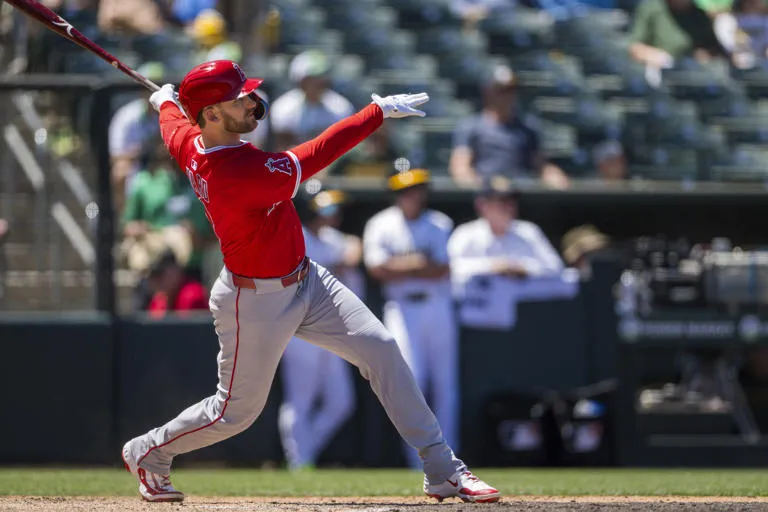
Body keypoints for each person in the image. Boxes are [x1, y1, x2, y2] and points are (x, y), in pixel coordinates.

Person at [120, 59, 499, 504]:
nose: (251, 102)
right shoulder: (237, 172)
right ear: (212, 114)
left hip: (308, 280)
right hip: (254, 302)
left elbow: (174, 126)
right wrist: (375, 113)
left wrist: (165, 102)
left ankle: (441, 468)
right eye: (239, 99)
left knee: (381, 349)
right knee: (234, 413)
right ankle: (149, 451)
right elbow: (316, 153)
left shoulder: (191, 140)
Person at [362, 168, 459, 470]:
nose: (411, 196)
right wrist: (418, 264)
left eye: (416, 189)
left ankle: (451, 457)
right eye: (404, 191)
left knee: (445, 384)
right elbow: (377, 269)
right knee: (412, 379)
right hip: (402, 308)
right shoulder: (380, 224)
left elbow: (442, 269)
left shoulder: (439, 222)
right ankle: (419, 459)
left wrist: (401, 266)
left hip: (437, 305)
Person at [278, 184, 361, 471]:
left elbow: (353, 249)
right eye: (326, 208)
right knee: (299, 401)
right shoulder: (295, 237)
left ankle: (305, 452)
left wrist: (352, 249)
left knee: (342, 402)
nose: (333, 214)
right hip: (301, 329)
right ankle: (299, 462)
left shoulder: (330, 237)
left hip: (331, 330)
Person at [448, 175, 577, 330]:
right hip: (474, 324)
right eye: (501, 201)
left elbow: (555, 269)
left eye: (511, 201)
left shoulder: (528, 232)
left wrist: (523, 269)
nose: (508, 207)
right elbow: (448, 269)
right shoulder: (466, 234)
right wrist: (492, 267)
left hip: (524, 323)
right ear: (482, 205)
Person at [448, 64, 570, 190]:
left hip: (521, 191)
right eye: (500, 90)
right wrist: (483, 186)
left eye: (510, 90)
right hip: (486, 192)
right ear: (487, 92)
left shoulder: (527, 128)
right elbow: (460, 167)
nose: (506, 96)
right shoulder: (471, 126)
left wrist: (554, 176)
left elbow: (541, 164)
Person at [270, 50, 355, 152]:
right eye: (313, 78)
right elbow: (281, 148)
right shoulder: (283, 108)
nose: (320, 82)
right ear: (300, 81)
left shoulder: (342, 107)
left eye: (323, 76)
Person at [146, 250, 209, 318]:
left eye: (159, 273)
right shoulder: (159, 301)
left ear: (175, 270)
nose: (156, 280)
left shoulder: (192, 295)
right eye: (153, 275)